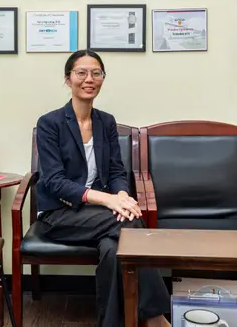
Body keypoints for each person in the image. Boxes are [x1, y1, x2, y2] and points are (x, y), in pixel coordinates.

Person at [36, 49, 170, 327]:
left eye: (96, 73)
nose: (89, 79)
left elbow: (117, 171)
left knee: (113, 250)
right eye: (81, 72)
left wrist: (121, 194)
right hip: (60, 214)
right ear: (67, 79)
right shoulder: (50, 124)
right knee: (131, 223)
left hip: (98, 214)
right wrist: (109, 200)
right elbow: (53, 181)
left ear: (102, 79)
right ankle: (157, 319)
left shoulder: (106, 122)